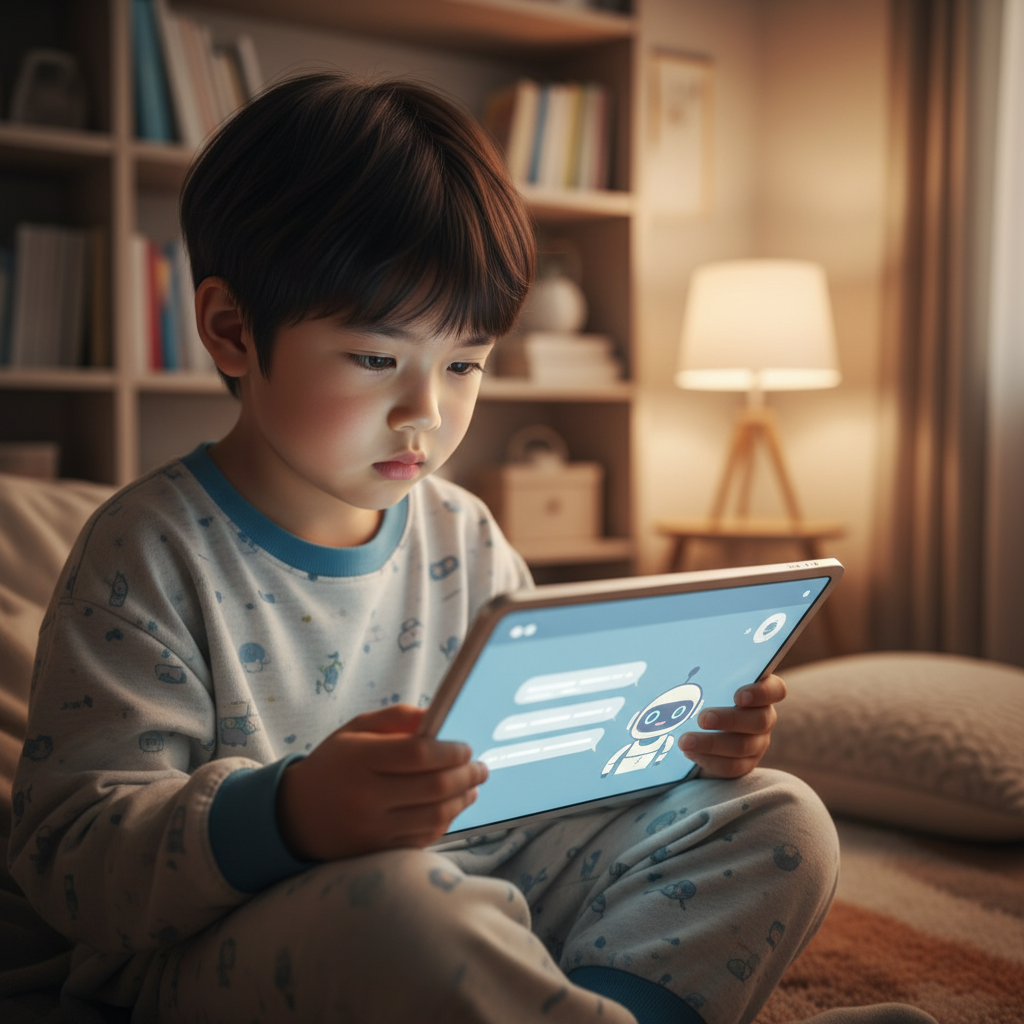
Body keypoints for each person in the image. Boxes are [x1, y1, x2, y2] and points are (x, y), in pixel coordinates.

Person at [9, 73, 840, 1024]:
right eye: (376, 359)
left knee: (780, 821)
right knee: (403, 911)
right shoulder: (145, 552)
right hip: (246, 943)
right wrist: (287, 816)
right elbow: (71, 863)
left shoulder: (464, 532)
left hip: (474, 892)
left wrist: (676, 747)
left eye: (464, 364)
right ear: (233, 331)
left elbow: (535, 784)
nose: (427, 413)